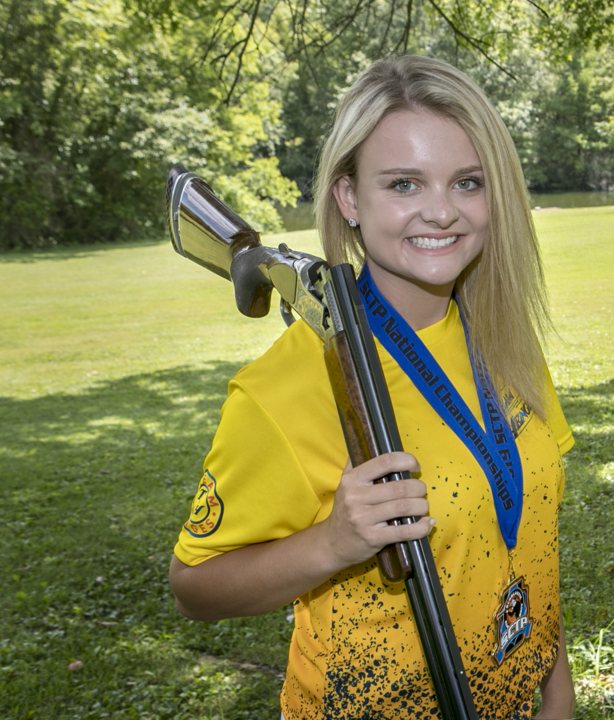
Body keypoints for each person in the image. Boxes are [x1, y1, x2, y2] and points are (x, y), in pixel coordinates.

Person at [168, 55, 576, 720]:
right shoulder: (285, 386)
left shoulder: (502, 337)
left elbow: (529, 544)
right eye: (404, 184)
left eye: (467, 182)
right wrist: (331, 543)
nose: (442, 213)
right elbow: (194, 589)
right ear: (349, 197)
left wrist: (556, 700)